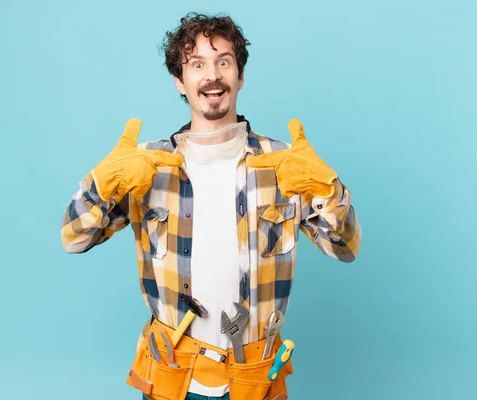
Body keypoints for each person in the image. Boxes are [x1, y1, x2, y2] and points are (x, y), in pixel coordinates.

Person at [61, 12, 361, 400]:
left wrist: (327, 188)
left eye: (223, 61)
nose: (212, 75)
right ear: (179, 81)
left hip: (257, 378)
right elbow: (73, 238)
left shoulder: (287, 164)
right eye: (196, 64)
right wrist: (101, 184)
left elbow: (346, 247)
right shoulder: (144, 166)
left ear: (240, 76)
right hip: (171, 374)